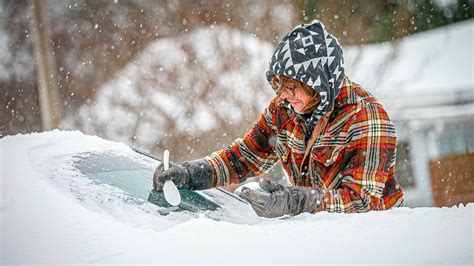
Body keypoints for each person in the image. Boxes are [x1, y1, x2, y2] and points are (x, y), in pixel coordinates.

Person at [153, 19, 404, 218]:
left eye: (292, 86)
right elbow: (244, 158)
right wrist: (191, 174)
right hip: (319, 236)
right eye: (278, 85)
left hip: (375, 239)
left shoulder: (365, 118)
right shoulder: (283, 110)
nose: (283, 95)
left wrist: (294, 201)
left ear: (319, 84)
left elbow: (362, 202)